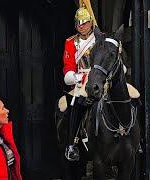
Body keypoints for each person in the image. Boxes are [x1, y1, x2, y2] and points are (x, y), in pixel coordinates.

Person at [59, 0, 98, 179]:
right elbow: (67, 67)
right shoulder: (70, 43)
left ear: (91, 22)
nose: (82, 26)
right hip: (81, 82)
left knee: (128, 97)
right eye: (79, 23)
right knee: (75, 106)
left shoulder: (100, 39)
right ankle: (72, 145)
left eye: (85, 22)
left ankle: (134, 140)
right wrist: (75, 77)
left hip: (100, 79)